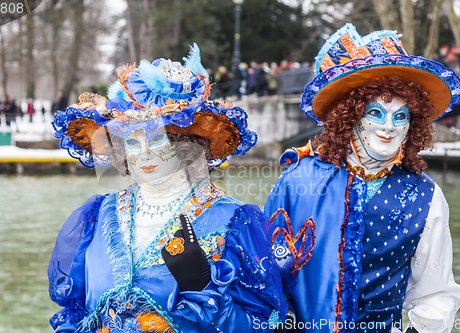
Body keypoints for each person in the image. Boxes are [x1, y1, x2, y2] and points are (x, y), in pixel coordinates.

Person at [48, 44, 312, 333]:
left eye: (158, 140)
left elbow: (268, 326)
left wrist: (204, 287)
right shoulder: (96, 215)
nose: (144, 154)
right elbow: (75, 316)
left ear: (186, 146)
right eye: (133, 142)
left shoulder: (236, 221)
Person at [264, 23, 460, 333]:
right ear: (349, 115)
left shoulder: (426, 196)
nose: (389, 127)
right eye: (375, 113)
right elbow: (266, 275)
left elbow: (436, 292)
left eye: (401, 116)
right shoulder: (297, 180)